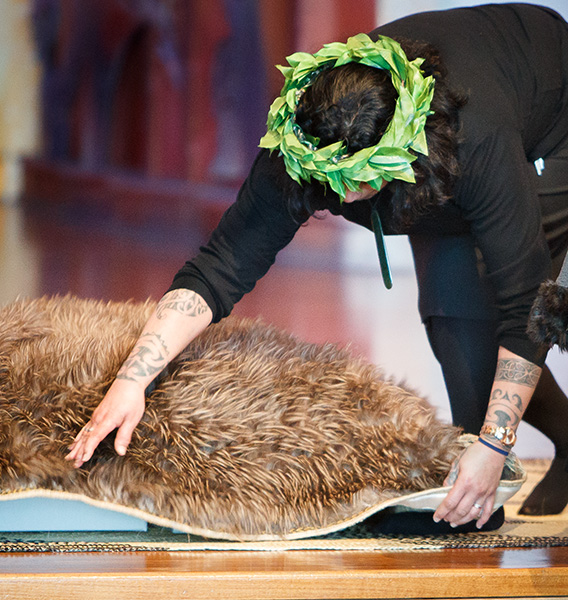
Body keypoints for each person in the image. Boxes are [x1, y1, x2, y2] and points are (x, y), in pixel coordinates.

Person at [67, 3, 568, 527]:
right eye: (333, 184)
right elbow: (220, 264)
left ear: (401, 150)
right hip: (450, 142)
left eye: (363, 180)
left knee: (485, 323)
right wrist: (131, 382)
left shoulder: (475, 139)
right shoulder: (302, 141)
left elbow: (522, 299)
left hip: (552, 117)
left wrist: (492, 443)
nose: (345, 196)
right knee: (454, 320)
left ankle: (482, 486)